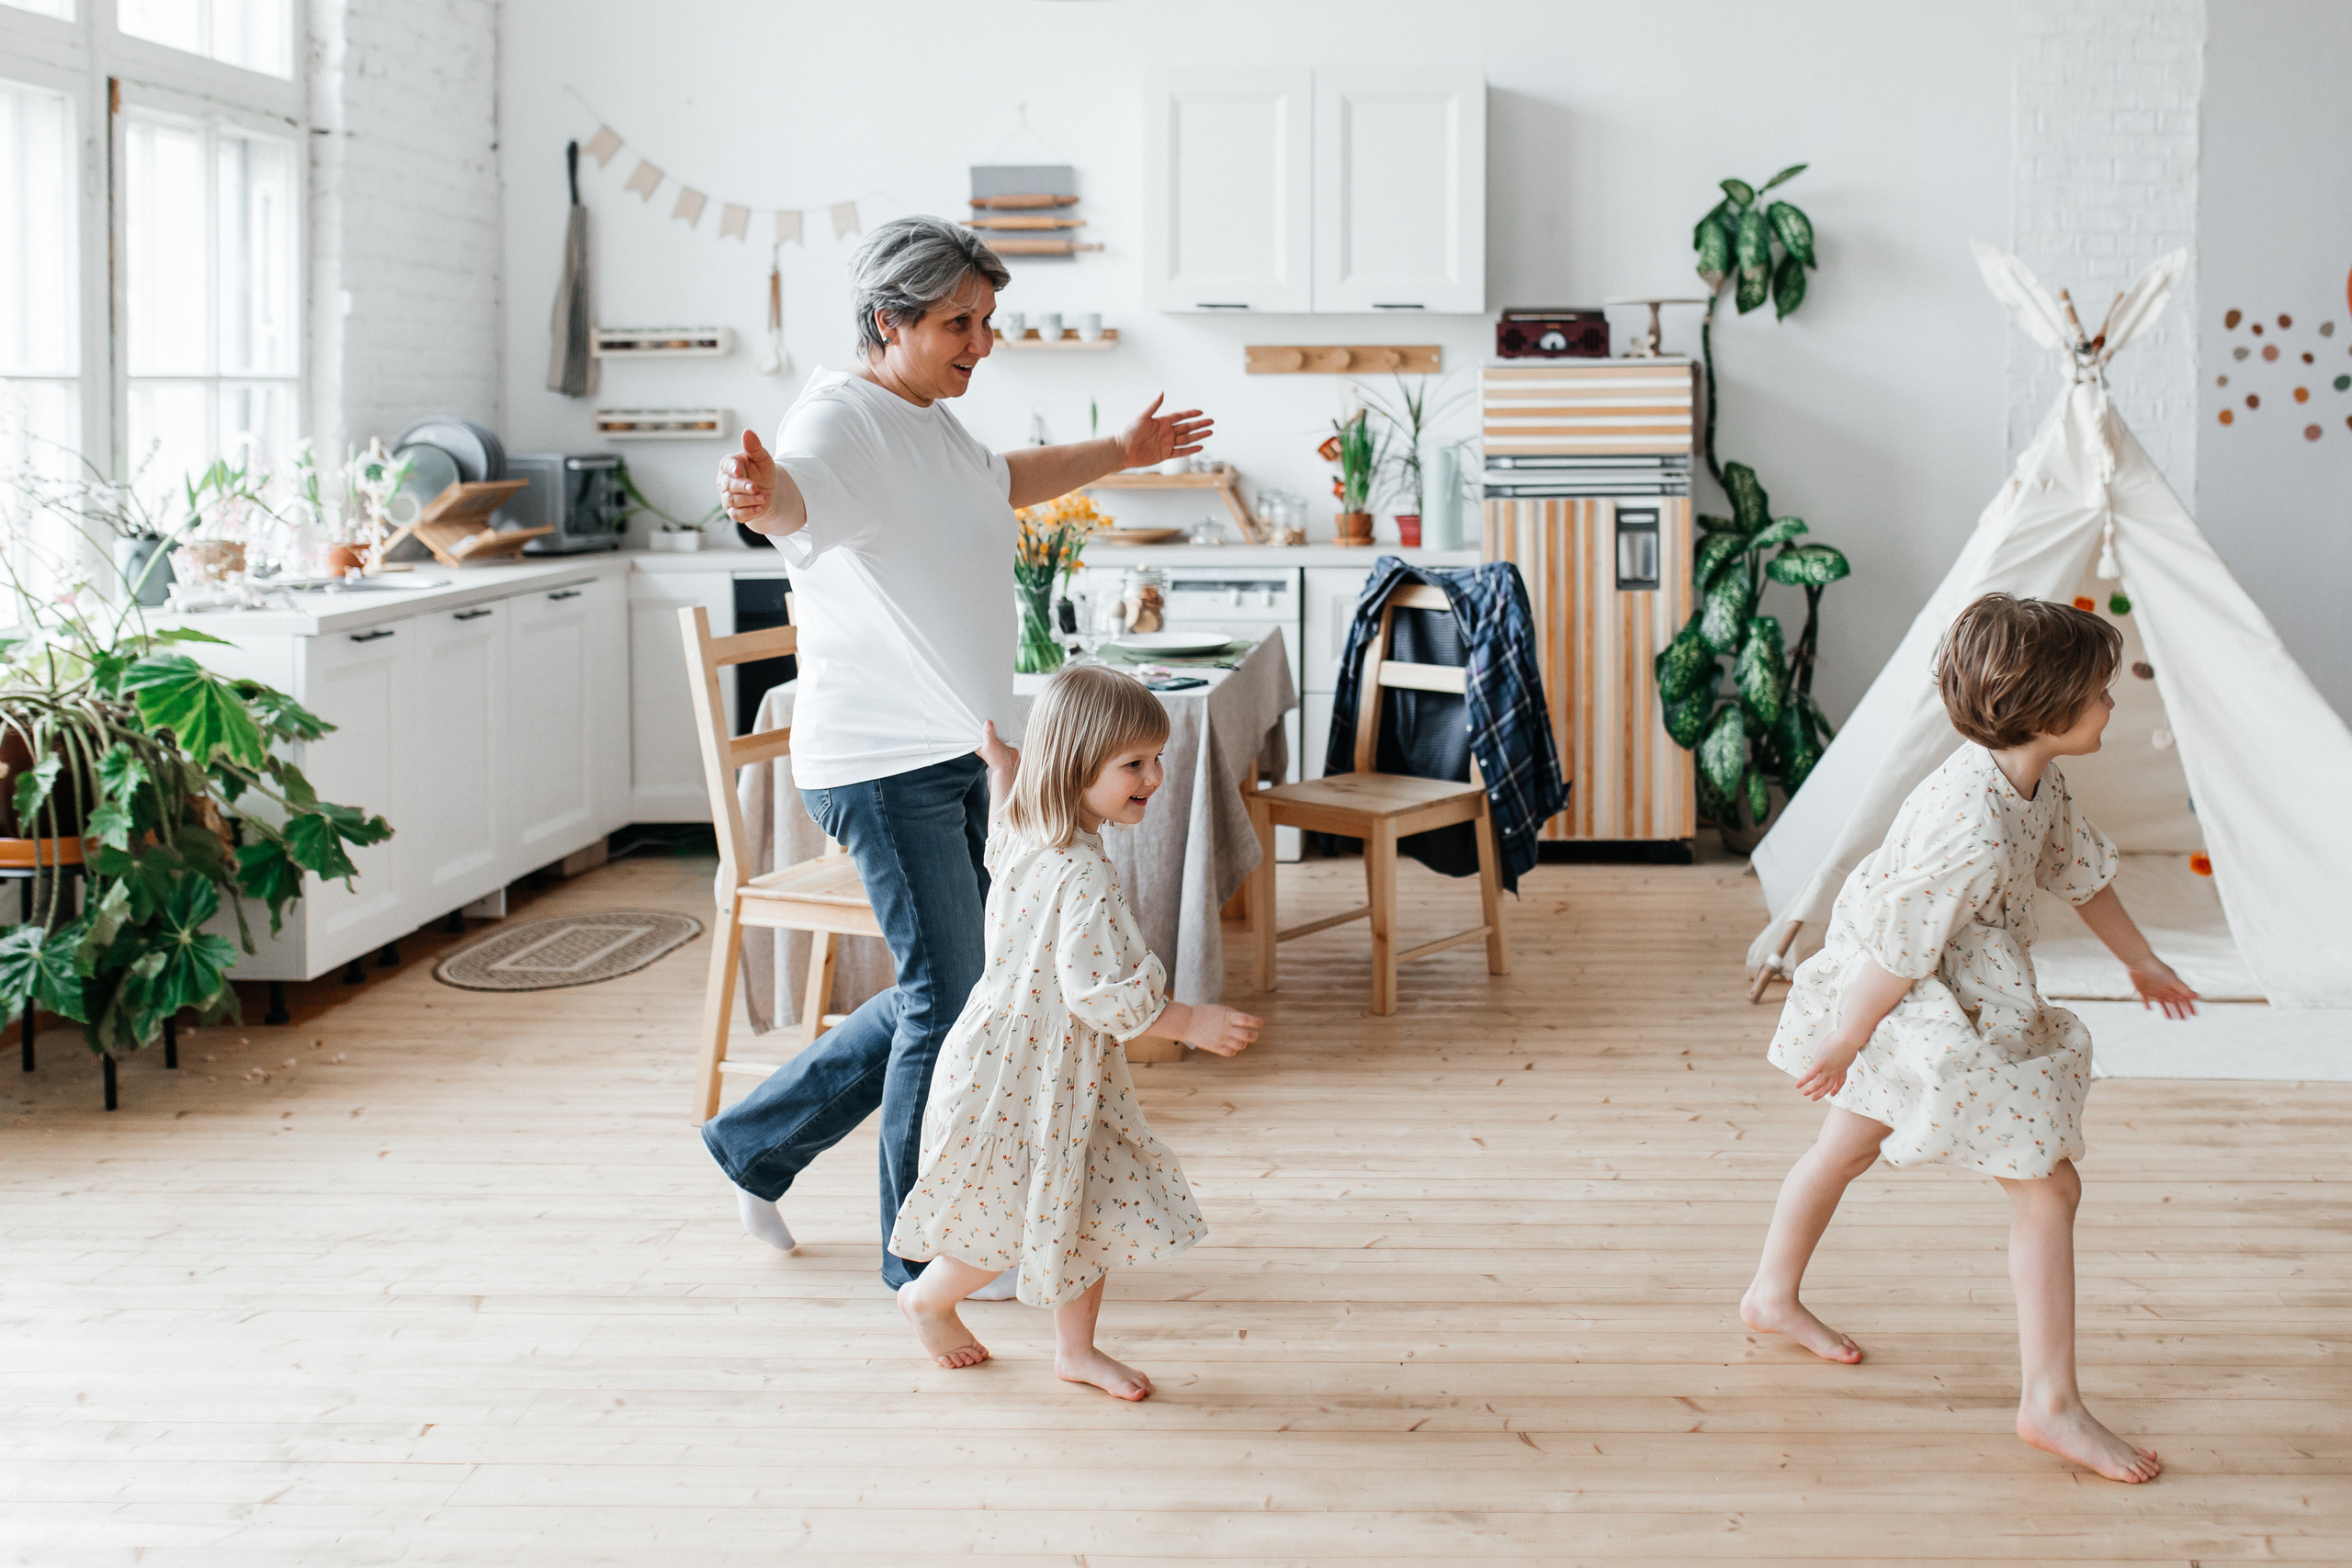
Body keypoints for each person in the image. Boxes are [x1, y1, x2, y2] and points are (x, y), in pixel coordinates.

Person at [704, 216, 1213, 1295]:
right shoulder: (840, 419)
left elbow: (1003, 479)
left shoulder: (928, 420)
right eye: (958, 323)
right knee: (953, 990)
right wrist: (759, 499)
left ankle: (756, 1143)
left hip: (967, 754)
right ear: (888, 320)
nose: (980, 343)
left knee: (970, 980)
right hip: (884, 763)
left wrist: (1121, 453)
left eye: (988, 322)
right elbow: (791, 495)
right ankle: (917, 1258)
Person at [1740, 592, 2196, 1484]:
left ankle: (1768, 1295)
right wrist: (1846, 1038)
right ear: (2047, 708)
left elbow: (2083, 870)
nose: (2111, 703)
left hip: (1943, 990)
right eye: (2101, 691)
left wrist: (2142, 963)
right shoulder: (1971, 821)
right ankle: (2050, 1405)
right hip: (1915, 1004)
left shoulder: (2034, 779)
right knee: (2047, 1189)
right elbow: (1899, 948)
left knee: (1841, 1152)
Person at [888, 667, 1261, 1400]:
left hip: (1026, 1061)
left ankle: (1075, 1350)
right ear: (1076, 766)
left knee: (1078, 1202)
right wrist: (1193, 1021)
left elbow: (1000, 827)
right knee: (1010, 1208)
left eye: (1157, 758)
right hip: (1030, 1073)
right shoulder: (1082, 874)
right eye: (1134, 764)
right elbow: (1102, 992)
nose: (1155, 775)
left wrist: (1004, 770)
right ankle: (928, 1298)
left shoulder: (1032, 829)